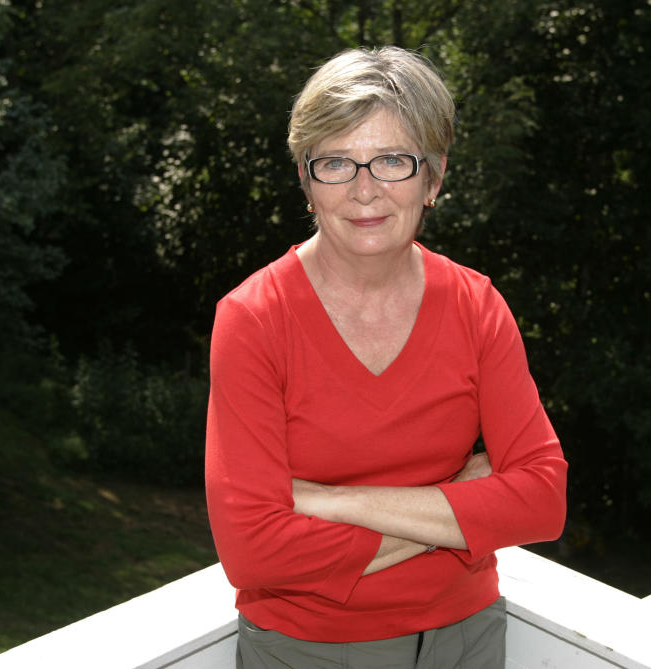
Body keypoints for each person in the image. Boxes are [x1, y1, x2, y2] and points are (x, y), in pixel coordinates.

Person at [204, 45, 568, 669]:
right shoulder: (254, 319)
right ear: (305, 180)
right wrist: (458, 504)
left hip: (468, 639)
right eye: (336, 163)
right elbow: (254, 552)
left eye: (393, 161)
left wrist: (328, 500)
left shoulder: (476, 305)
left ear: (434, 178)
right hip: (306, 649)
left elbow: (542, 500)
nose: (365, 190)